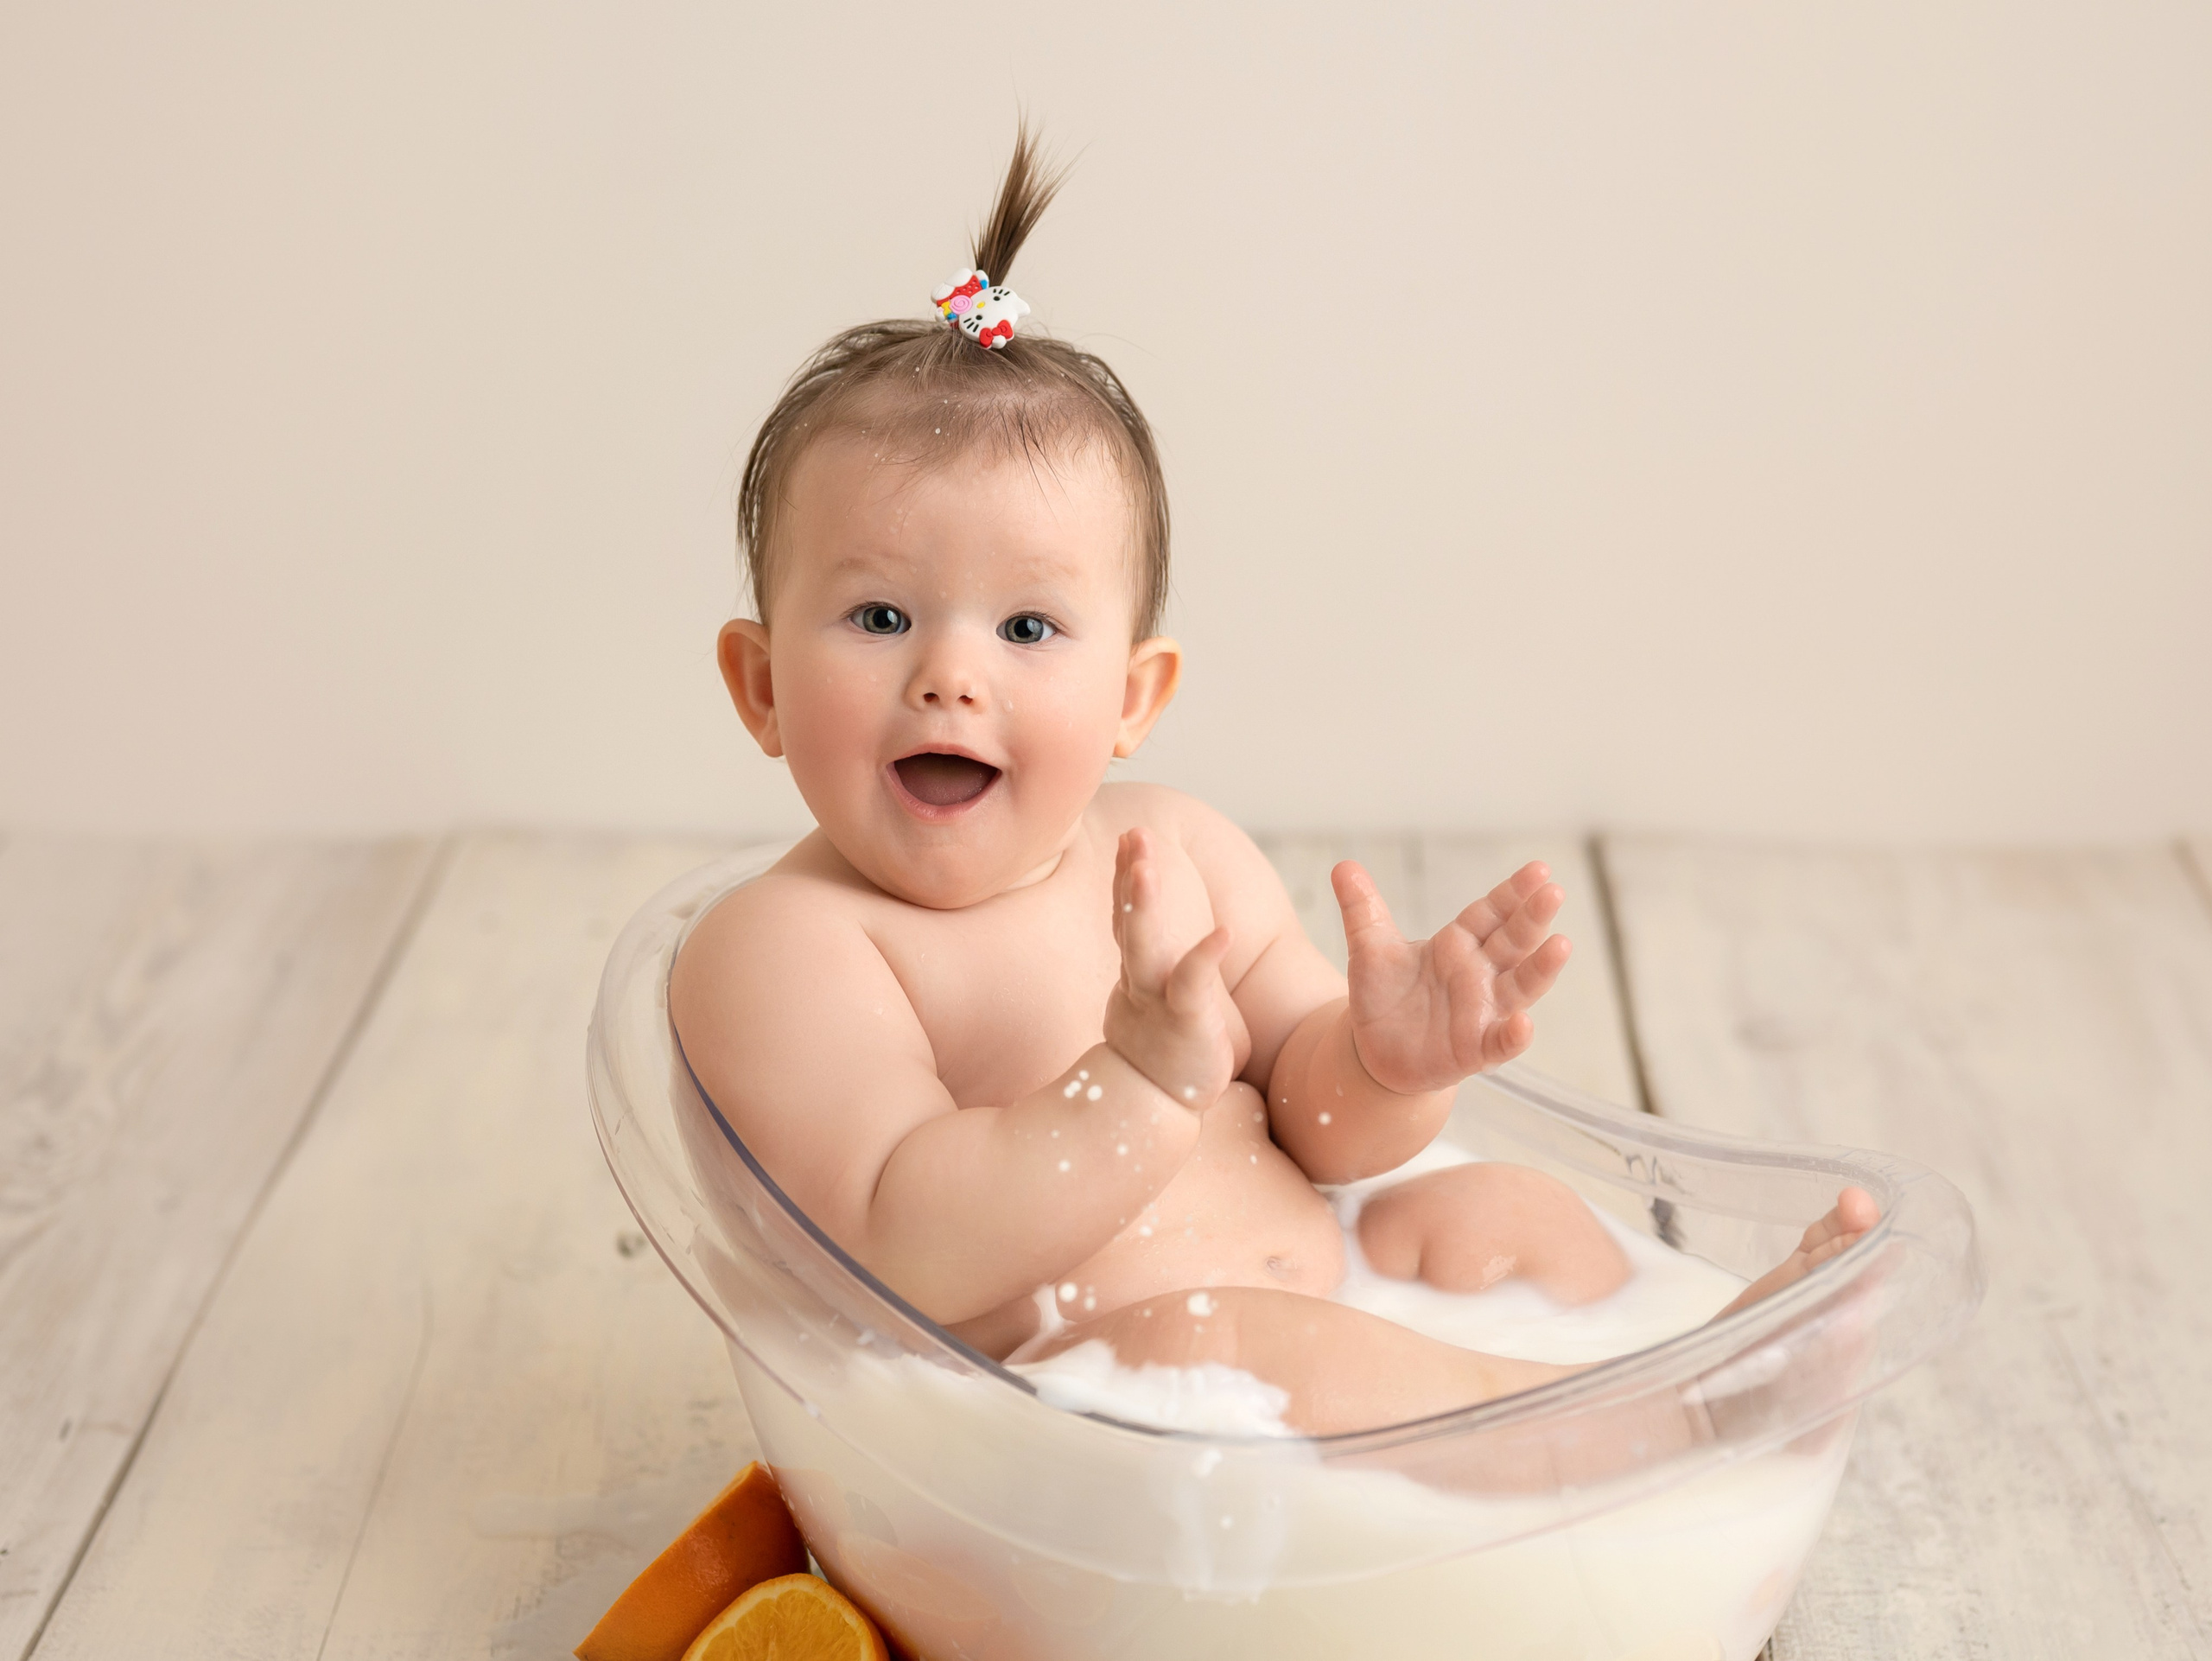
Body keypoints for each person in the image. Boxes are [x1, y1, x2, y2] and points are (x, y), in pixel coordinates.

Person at [671, 130, 1874, 1437]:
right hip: (1088, 1427)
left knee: (1502, 1211)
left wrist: (1381, 1059)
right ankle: (1665, 1426)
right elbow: (899, 1243)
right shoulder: (785, 950)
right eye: (880, 616)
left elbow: (1318, 1126)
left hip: (1336, 1296)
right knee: (1238, 1342)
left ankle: (1669, 1368)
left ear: (1133, 697)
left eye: (1027, 629)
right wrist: (1131, 1083)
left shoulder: (1175, 853)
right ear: (762, 689)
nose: (952, 677)